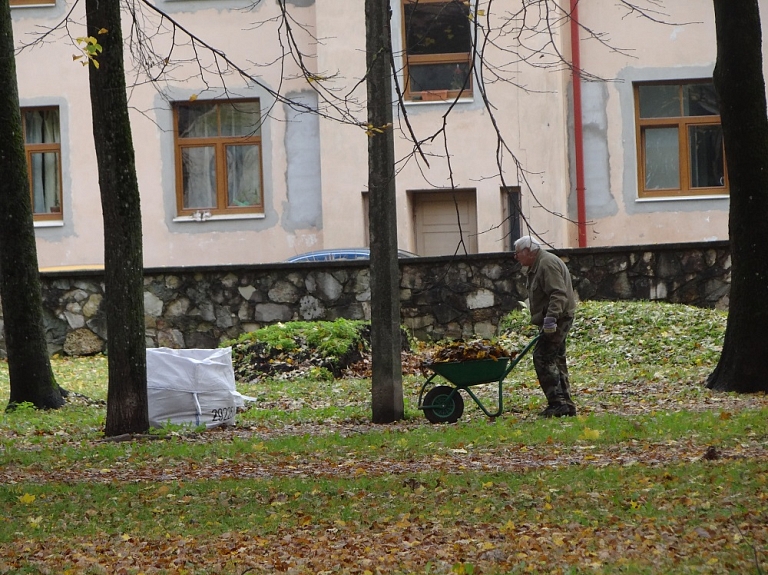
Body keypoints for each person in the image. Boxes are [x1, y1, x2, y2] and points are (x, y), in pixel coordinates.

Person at [513, 236, 577, 417]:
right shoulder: (539, 263)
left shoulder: (546, 264)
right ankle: (566, 404)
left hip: (558, 318)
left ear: (528, 251)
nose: (516, 257)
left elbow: (558, 294)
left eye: (517, 253)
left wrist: (551, 320)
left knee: (542, 357)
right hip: (557, 317)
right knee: (556, 359)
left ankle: (557, 403)